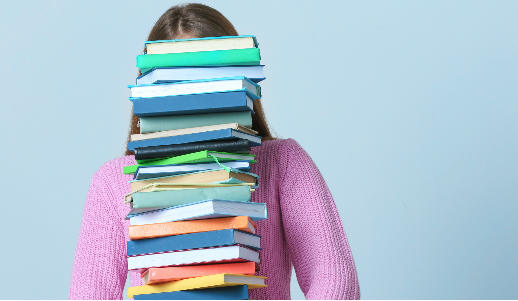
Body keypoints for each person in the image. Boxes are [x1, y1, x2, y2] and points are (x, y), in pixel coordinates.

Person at [69, 3, 360, 300]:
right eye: (176, 84)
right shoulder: (112, 182)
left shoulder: (283, 162)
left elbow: (335, 280)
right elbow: (90, 294)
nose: (193, 102)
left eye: (207, 80)